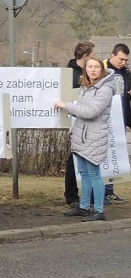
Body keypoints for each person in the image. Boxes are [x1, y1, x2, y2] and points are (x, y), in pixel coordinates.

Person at [55, 56, 117, 222]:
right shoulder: (86, 86)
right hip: (82, 135)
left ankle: (98, 210)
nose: (93, 70)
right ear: (86, 69)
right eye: (90, 67)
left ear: (101, 69)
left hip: (95, 136)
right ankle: (83, 207)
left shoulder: (105, 89)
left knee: (94, 173)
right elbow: (81, 109)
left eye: (96, 67)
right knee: (83, 173)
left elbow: (90, 111)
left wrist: (66, 106)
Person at [63, 40, 95, 209]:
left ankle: (89, 195)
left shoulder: (91, 72)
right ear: (85, 56)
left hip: (89, 121)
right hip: (75, 121)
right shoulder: (70, 74)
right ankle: (71, 195)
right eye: (93, 55)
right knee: (73, 159)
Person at [103, 44, 129, 203]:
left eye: (126, 60)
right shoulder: (103, 69)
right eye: (121, 59)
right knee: (104, 156)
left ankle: (110, 190)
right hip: (106, 119)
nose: (123, 63)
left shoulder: (126, 73)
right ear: (113, 55)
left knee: (115, 156)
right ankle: (103, 191)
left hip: (121, 119)